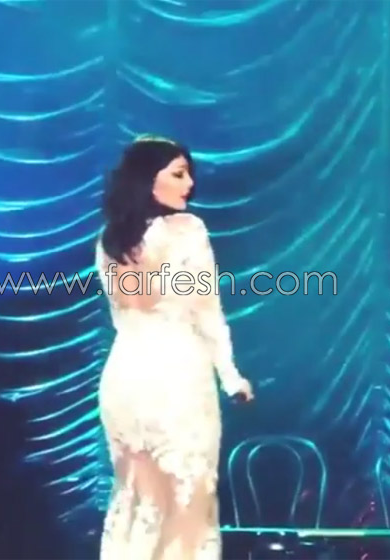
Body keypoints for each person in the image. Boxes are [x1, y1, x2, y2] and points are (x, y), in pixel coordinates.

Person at [94, 134, 254, 559]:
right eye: (179, 174)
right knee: (187, 498)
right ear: (148, 178)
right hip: (176, 375)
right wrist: (230, 376)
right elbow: (206, 310)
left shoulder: (109, 239)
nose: (190, 184)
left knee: (135, 499)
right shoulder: (186, 230)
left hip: (125, 376)